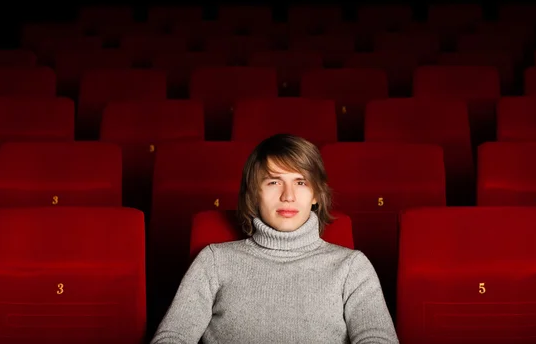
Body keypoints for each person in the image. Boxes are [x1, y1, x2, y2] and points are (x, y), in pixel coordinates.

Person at [151, 134, 399, 343]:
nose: (288, 196)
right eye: (273, 182)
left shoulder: (352, 266)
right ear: (254, 194)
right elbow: (172, 337)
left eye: (300, 182)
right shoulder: (214, 261)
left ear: (316, 195)